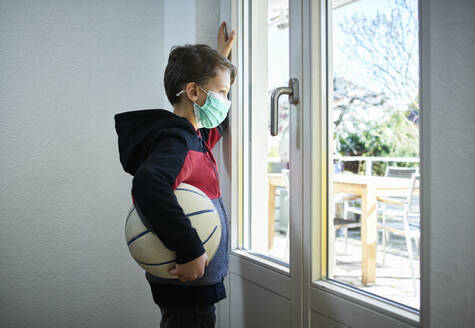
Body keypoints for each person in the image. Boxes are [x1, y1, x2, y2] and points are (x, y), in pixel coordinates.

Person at [114, 22, 236, 328]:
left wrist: (221, 58)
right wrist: (191, 250)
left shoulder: (194, 137)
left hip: (194, 283)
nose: (226, 101)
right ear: (194, 91)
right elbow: (147, 186)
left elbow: (215, 125)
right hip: (189, 281)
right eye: (222, 92)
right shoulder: (177, 141)